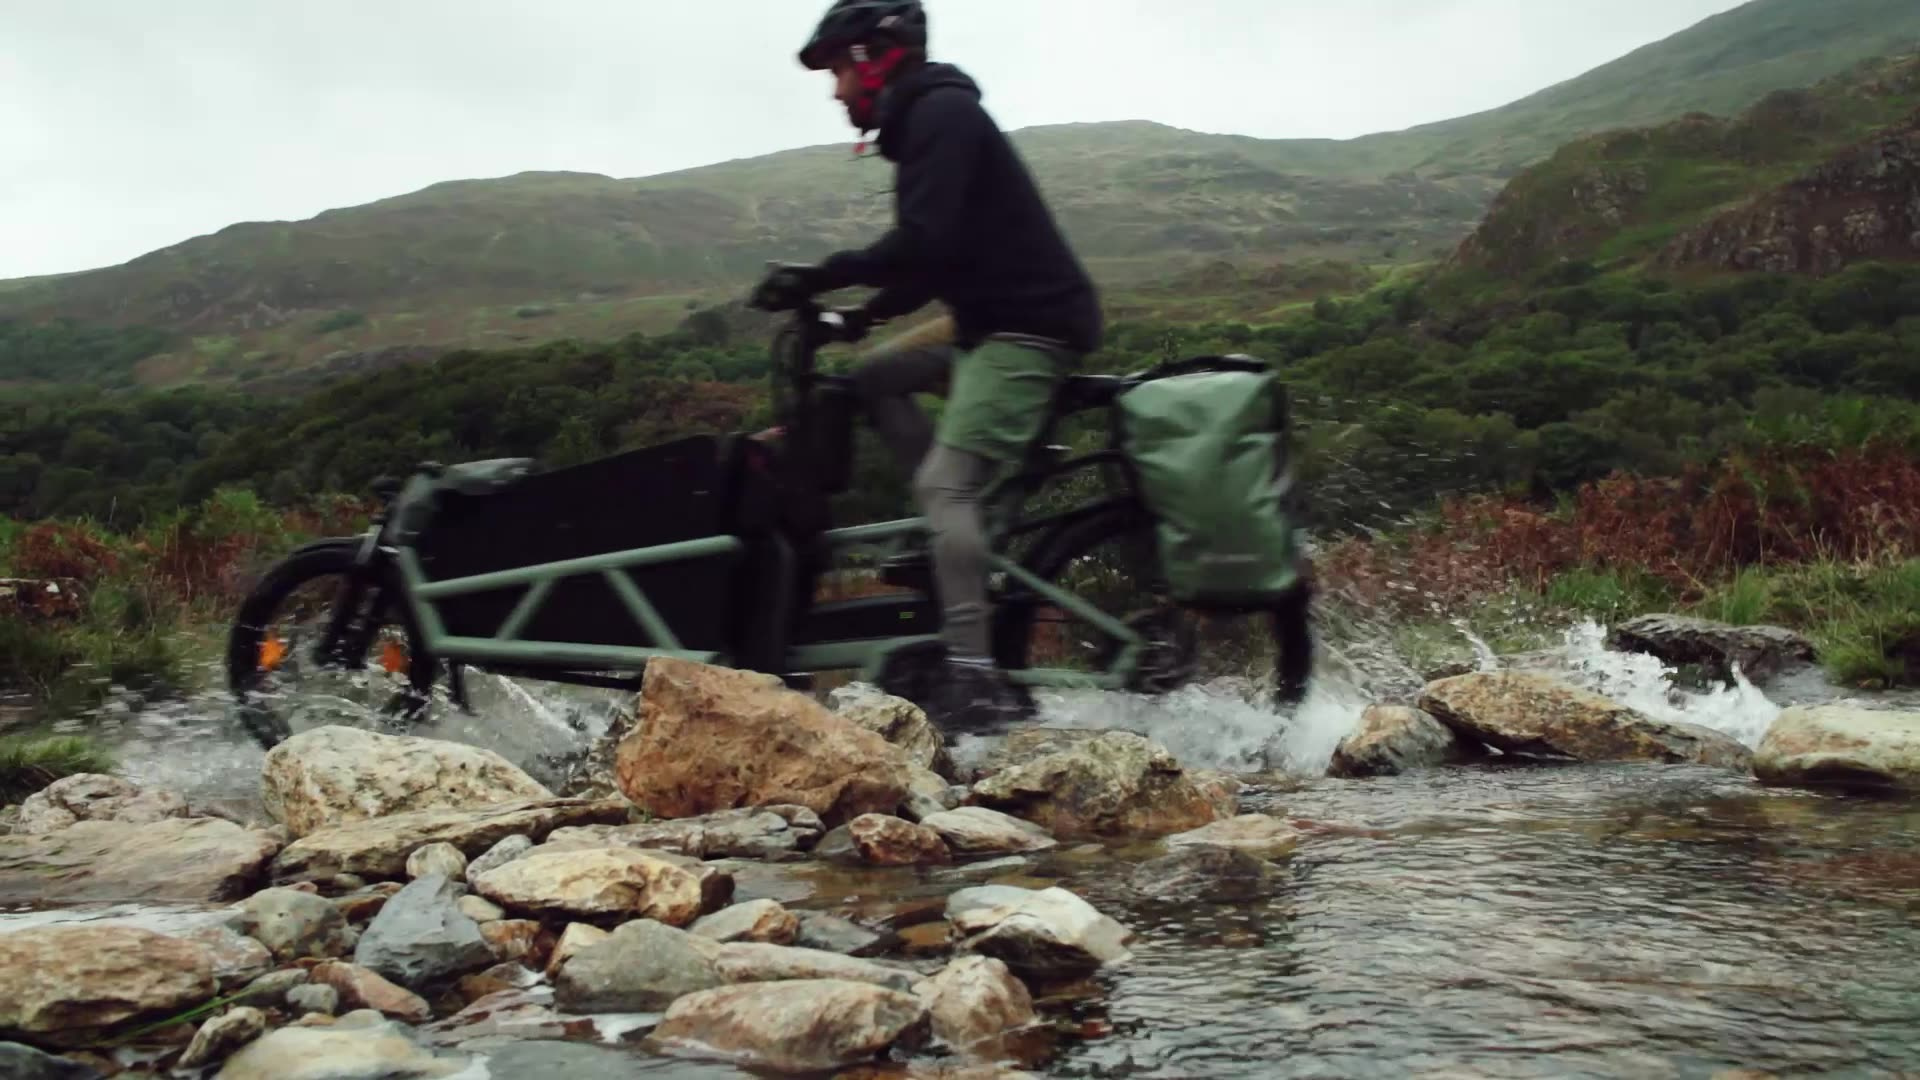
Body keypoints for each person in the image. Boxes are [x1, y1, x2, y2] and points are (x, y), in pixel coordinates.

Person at [751, 0, 1104, 735]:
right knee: (869, 378)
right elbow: (935, 257)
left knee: (948, 483)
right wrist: (861, 317)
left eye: (841, 71)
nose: (837, 92)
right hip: (989, 324)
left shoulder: (940, 117)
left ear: (878, 59)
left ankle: (974, 675)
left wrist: (822, 277)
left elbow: (923, 241)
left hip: (1029, 332)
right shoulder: (926, 122)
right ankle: (948, 525)